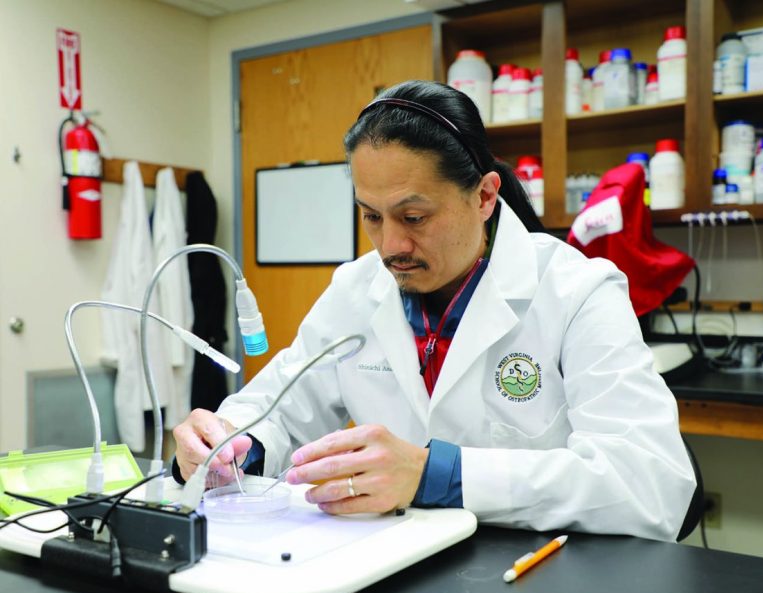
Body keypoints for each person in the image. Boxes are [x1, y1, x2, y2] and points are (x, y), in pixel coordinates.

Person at [173, 80, 696, 542]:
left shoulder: (577, 290)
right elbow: (282, 408)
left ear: (484, 196)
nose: (390, 246)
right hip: (398, 561)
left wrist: (436, 474)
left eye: (414, 216)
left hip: (540, 567)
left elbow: (651, 484)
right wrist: (232, 444)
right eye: (371, 216)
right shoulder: (356, 289)